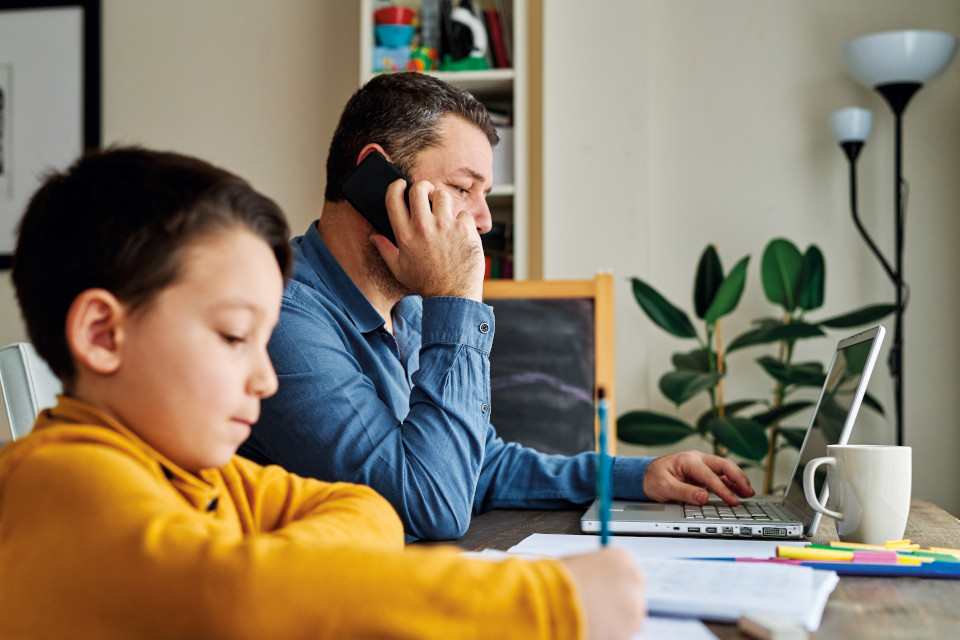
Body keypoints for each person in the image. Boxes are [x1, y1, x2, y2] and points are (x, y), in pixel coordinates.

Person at [0, 147, 645, 639]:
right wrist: (550, 602)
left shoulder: (206, 477)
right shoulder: (60, 484)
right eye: (232, 336)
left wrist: (274, 561)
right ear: (103, 334)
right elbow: (240, 598)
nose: (267, 378)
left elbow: (366, 511)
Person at [240, 72, 755, 542]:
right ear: (376, 178)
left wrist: (635, 476)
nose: (484, 220)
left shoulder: (408, 312)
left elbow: (477, 465)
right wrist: (455, 297)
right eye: (463, 188)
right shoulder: (281, 318)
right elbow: (428, 503)